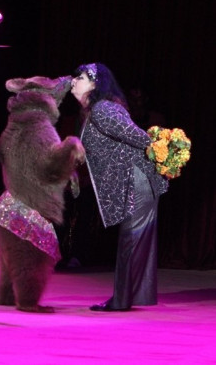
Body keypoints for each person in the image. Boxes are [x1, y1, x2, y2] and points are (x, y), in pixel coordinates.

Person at [69, 62, 168, 311]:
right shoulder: (95, 111)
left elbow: (140, 138)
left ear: (94, 84)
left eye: (80, 78)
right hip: (134, 181)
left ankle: (122, 300)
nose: (73, 81)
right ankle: (130, 297)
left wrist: (165, 151)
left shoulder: (103, 109)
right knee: (134, 242)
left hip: (137, 180)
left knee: (130, 242)